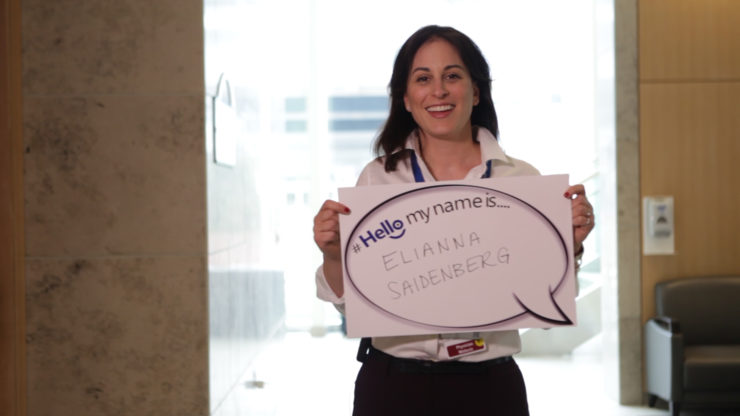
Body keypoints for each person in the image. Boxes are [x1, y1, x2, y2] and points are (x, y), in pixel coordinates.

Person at [312, 25, 595, 416]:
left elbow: (546, 308)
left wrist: (572, 245)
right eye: (423, 78)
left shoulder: (522, 182)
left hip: (490, 388)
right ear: (406, 99)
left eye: (453, 76)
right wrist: (331, 255)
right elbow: (352, 307)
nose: (439, 91)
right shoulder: (377, 179)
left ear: (476, 91)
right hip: (393, 386)